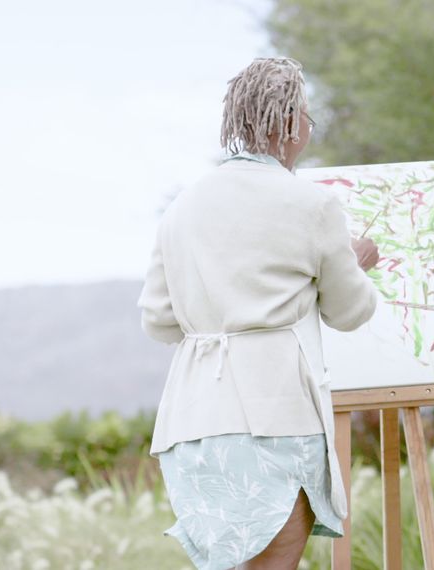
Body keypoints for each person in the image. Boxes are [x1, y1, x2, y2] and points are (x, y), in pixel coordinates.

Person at [138, 57, 379, 570]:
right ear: (289, 123)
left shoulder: (182, 208)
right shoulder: (310, 206)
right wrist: (355, 266)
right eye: (307, 120)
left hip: (193, 422)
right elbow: (351, 310)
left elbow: (158, 320)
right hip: (274, 417)